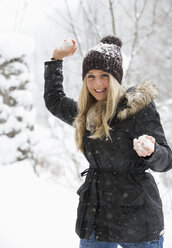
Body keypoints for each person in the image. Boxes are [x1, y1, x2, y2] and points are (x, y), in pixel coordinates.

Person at [43, 36, 172, 248]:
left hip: (139, 220)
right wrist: (56, 59)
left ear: (115, 78)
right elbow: (54, 100)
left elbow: (166, 160)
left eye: (104, 75)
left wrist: (152, 151)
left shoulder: (137, 109)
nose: (97, 83)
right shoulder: (86, 115)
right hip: (97, 215)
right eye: (90, 76)